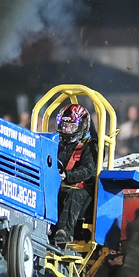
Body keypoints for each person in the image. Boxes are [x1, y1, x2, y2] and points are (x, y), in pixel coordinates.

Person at [52, 103, 98, 248]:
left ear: (82, 126)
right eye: (64, 126)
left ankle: (63, 233)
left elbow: (88, 170)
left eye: (71, 126)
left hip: (81, 188)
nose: (67, 130)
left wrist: (68, 175)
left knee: (72, 195)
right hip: (58, 184)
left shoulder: (89, 145)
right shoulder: (56, 144)